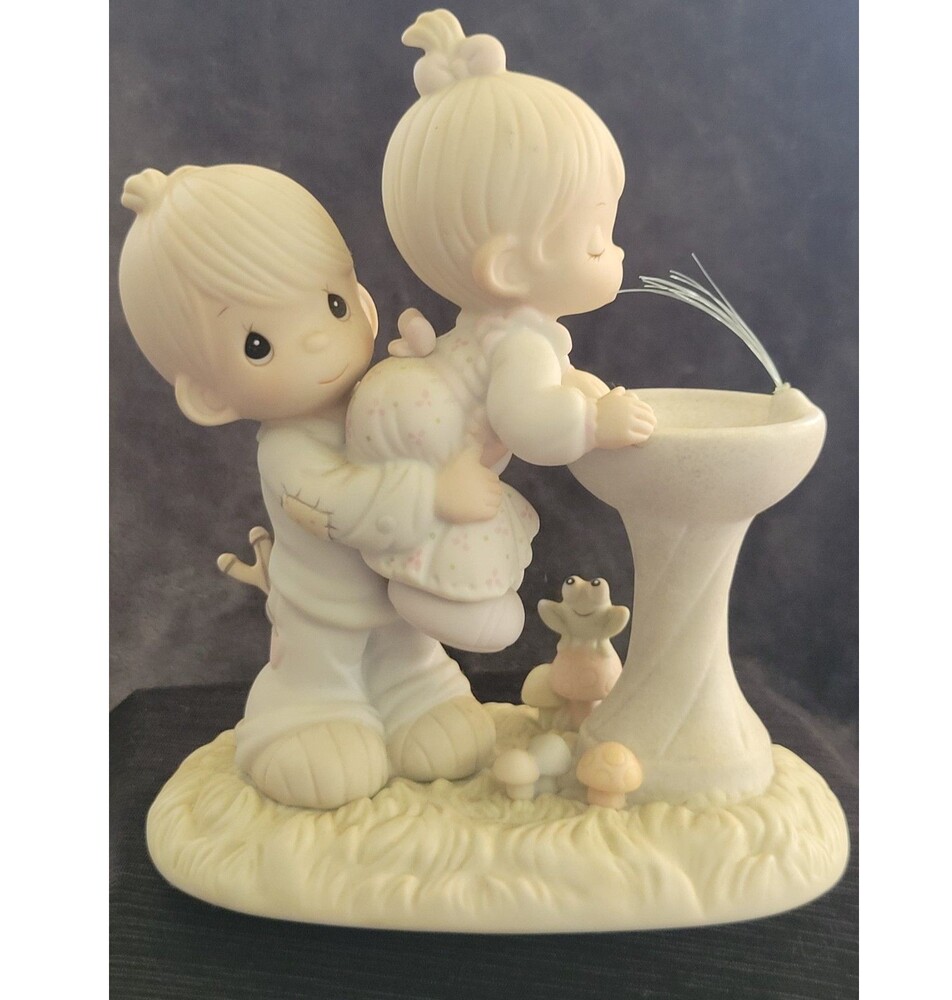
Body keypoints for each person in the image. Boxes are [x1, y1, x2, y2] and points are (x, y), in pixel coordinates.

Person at [119, 163, 498, 810]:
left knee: (420, 674)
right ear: (208, 393)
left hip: (404, 603)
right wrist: (431, 495)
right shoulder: (286, 451)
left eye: (333, 304)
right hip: (324, 615)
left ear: (363, 301)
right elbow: (337, 504)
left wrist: (449, 404)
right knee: (323, 681)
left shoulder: (382, 390)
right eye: (258, 344)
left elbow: (442, 437)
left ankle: (416, 695)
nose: (321, 338)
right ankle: (307, 717)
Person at [294, 10, 655, 654]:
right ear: (510, 269)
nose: (617, 251)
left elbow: (552, 382)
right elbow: (528, 422)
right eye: (599, 240)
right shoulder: (519, 344)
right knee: (497, 625)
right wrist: (595, 424)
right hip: (441, 458)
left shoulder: (509, 331)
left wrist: (585, 390)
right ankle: (416, 590)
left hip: (427, 433)